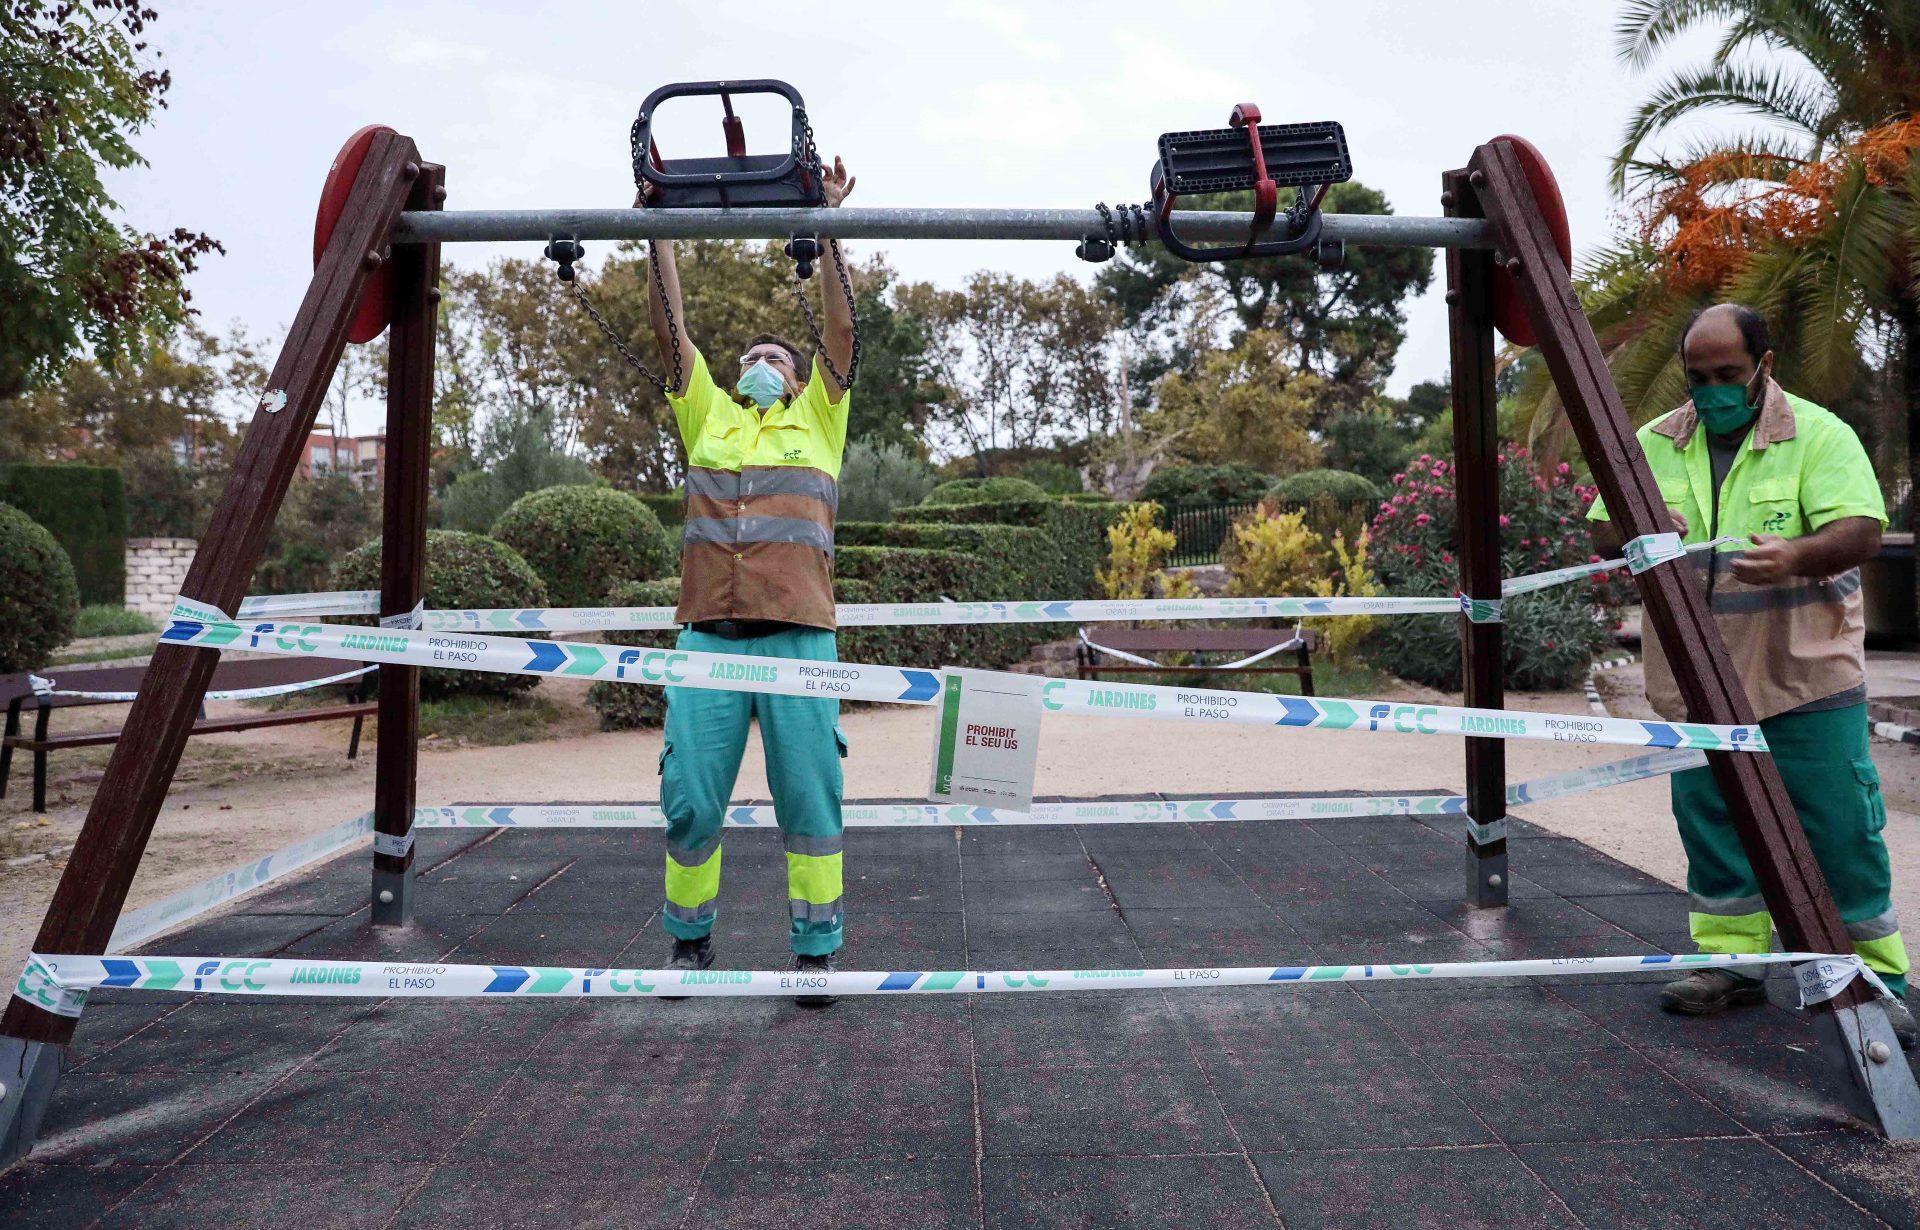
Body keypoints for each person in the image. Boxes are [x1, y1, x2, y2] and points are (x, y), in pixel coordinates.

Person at [1589, 302, 1913, 1048]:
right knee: (1712, 823)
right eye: (1698, 377)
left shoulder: (1819, 435)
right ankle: (1730, 964)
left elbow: (1861, 529)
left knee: (1839, 826)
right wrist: (1634, 529)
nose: (1712, 391)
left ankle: (1872, 980)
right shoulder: (1652, 444)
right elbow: (1603, 528)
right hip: (1696, 681)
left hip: (1803, 675)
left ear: (1764, 367)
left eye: (1728, 374)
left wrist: (1797, 555)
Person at [641, 156, 858, 1006]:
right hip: (708, 640)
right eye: (752, 355)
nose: (762, 360)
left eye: (777, 355)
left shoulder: (820, 420)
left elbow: (841, 332)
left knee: (809, 801)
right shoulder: (710, 418)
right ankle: (689, 944)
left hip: (801, 639)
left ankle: (816, 950)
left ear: (799, 380)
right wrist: (656, 232)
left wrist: (827, 223)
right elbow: (670, 331)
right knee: (691, 803)